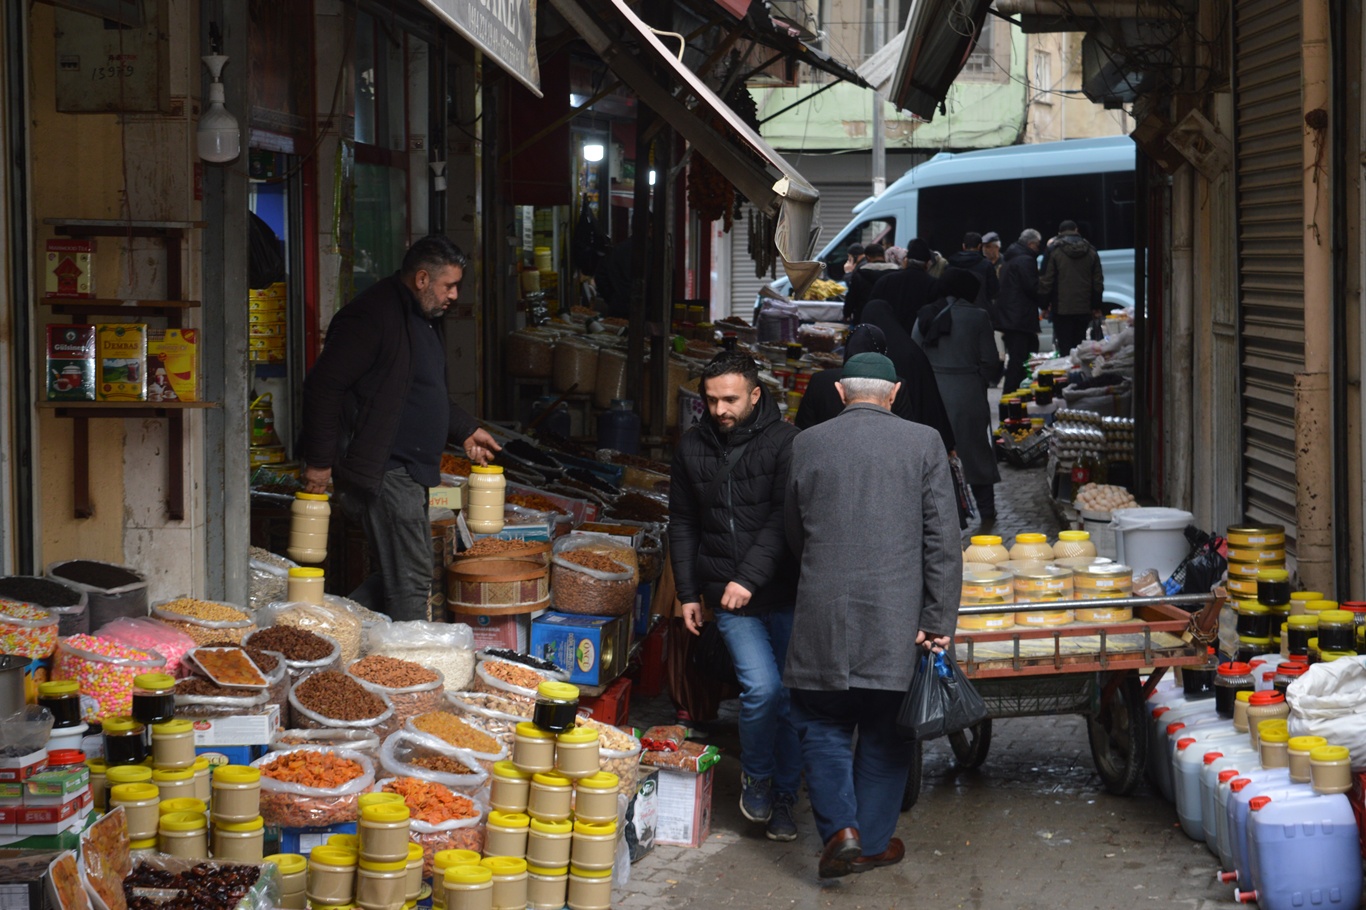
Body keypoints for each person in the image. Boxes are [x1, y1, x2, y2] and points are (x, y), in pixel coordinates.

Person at [783, 352, 962, 878]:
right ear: (895, 392)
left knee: (822, 722)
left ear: (840, 393)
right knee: (887, 731)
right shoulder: (924, 441)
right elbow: (943, 542)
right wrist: (938, 618)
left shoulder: (806, 443)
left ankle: (840, 829)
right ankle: (872, 843)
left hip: (822, 614)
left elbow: (794, 531)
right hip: (898, 620)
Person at [300, 235, 502, 621]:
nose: (455, 295)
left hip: (409, 469)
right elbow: (324, 386)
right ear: (423, 279)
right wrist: (319, 462)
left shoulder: (422, 319)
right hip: (384, 469)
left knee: (399, 573)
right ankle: (407, 670)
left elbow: (422, 390)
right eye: (450, 285)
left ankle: (333, 630)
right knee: (411, 579)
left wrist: (463, 430)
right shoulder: (372, 316)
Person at [667, 351, 802, 843]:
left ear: (755, 394)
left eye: (730, 399)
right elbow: (681, 522)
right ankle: (759, 777)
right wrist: (686, 591)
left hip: (782, 592)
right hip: (726, 597)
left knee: (789, 698)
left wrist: (748, 577)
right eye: (711, 400)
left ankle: (786, 796)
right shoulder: (692, 447)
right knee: (762, 690)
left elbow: (782, 518)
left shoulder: (787, 442)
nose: (720, 409)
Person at [913, 269, 1003, 520]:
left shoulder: (926, 314)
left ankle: (946, 514)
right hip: (968, 392)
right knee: (975, 451)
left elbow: (915, 351)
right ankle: (986, 510)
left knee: (937, 454)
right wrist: (978, 381)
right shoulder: (977, 316)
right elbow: (990, 360)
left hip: (934, 391)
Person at [793, 321, 956, 454]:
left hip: (826, 460)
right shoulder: (894, 384)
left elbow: (803, 427)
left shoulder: (820, 380)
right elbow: (905, 432)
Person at [1038, 219, 1104, 356]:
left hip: (1061, 309)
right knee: (1080, 346)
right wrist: (1096, 305)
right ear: (1076, 231)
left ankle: (1069, 375)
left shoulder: (1054, 251)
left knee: (1065, 347)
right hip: (1084, 308)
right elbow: (1097, 281)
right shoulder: (1091, 250)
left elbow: (1046, 280)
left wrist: (1044, 305)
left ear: (1059, 233)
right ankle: (1081, 375)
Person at [996, 229, 1044, 393]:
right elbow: (1032, 287)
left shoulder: (1012, 258)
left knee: (1021, 358)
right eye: (1037, 245)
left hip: (1012, 318)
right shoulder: (1025, 260)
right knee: (1019, 362)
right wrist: (1046, 299)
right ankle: (1010, 399)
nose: (1038, 249)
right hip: (1019, 319)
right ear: (1031, 244)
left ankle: (1014, 396)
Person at [870, 237, 939, 337]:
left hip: (890, 338)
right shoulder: (933, 284)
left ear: (906, 261)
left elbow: (873, 310)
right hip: (918, 341)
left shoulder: (886, 281)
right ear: (927, 264)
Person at [842, 242, 899, 323]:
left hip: (864, 318)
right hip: (890, 318)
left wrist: (846, 314)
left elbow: (851, 297)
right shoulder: (896, 273)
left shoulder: (859, 274)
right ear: (883, 256)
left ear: (867, 258)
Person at [945, 231, 999, 310]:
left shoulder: (950, 265)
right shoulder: (986, 265)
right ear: (979, 246)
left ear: (963, 246)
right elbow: (994, 291)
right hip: (980, 312)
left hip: (955, 312)